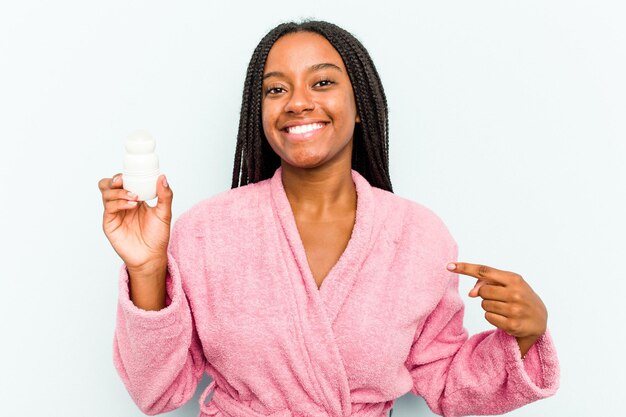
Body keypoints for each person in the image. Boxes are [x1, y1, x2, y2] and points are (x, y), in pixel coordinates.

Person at [98, 20, 559, 417]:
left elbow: (447, 383)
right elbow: (156, 392)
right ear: (259, 114)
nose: (297, 102)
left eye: (321, 83)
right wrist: (147, 269)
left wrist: (524, 336)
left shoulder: (418, 236)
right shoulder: (207, 232)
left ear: (360, 105)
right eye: (276, 89)